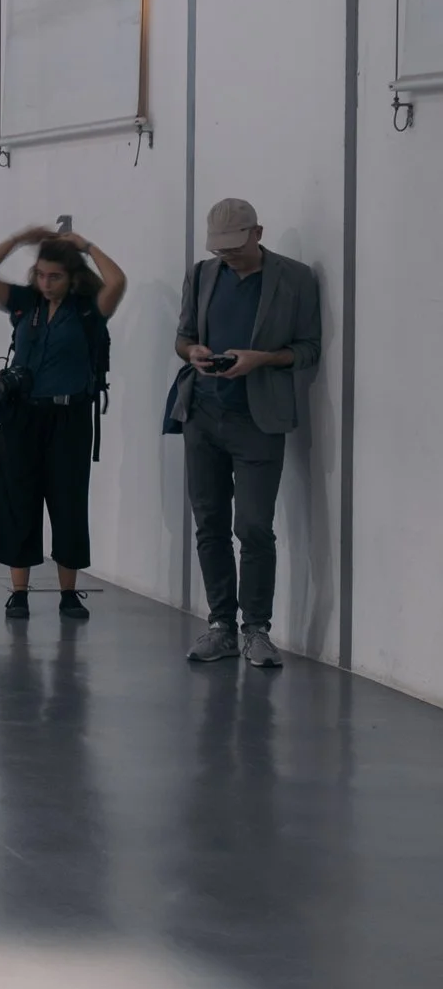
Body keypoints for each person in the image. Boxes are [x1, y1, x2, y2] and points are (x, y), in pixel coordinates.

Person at [172, 198, 322, 668]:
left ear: (259, 232)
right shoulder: (200, 275)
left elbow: (309, 348)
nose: (228, 256)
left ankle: (257, 629)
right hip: (202, 414)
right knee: (209, 523)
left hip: (259, 421)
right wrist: (192, 352)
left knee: (254, 527)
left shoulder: (294, 279)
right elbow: (182, 335)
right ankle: (222, 627)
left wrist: (262, 359)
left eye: (235, 247)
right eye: (220, 249)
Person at [0, 224, 128, 621]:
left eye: (54, 276)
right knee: (17, 500)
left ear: (71, 277)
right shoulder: (25, 304)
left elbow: (118, 280)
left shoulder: (89, 309)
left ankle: (68, 593)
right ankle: (19, 592)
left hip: (69, 416)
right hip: (23, 415)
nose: (46, 283)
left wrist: (87, 245)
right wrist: (17, 239)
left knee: (68, 502)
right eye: (40, 275)